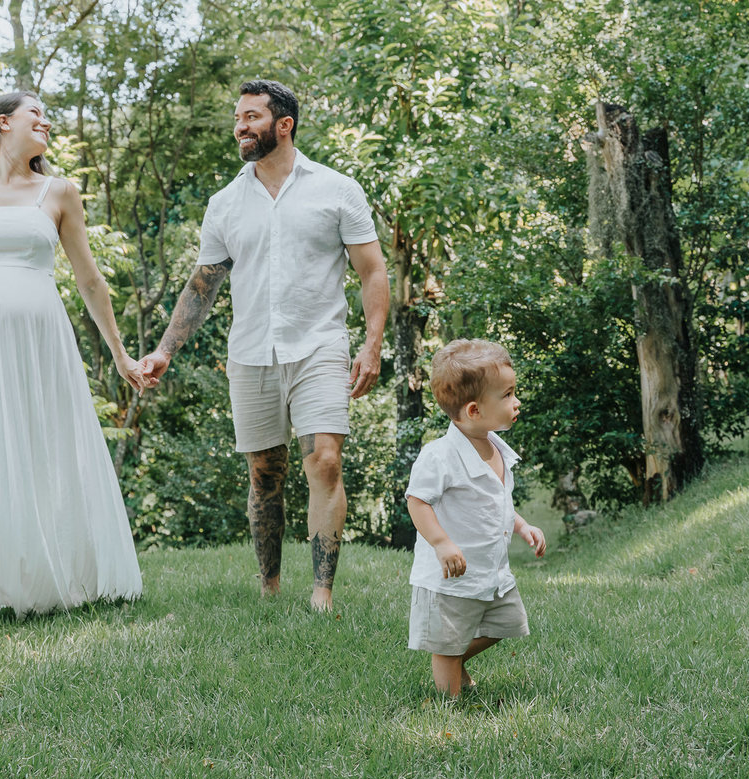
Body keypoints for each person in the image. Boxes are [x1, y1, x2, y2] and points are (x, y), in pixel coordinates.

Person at [138, 80, 389, 611]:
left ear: (284, 124)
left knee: (324, 461)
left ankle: (321, 594)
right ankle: (270, 588)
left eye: (251, 116)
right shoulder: (226, 203)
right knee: (265, 473)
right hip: (250, 351)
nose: (240, 127)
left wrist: (371, 346)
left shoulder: (337, 189)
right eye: (237, 118)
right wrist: (164, 351)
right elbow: (203, 284)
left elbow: (372, 271)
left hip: (319, 343)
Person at [0, 91, 145, 634]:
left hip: (43, 340)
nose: (46, 123)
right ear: (4, 123)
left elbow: (89, 279)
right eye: (35, 115)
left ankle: (57, 577)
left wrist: (119, 352)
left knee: (48, 448)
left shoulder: (60, 192)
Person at [405, 339, 547, 696]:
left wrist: (522, 525)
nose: (517, 402)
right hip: (450, 578)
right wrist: (441, 542)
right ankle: (447, 704)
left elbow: (496, 502)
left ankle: (453, 659)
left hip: (491, 572)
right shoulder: (439, 456)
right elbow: (417, 501)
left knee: (507, 623)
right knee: (448, 641)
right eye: (508, 394)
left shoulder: (497, 447)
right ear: (473, 410)